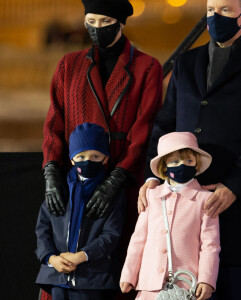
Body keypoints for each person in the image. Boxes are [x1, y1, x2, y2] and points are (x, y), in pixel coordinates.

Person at [138, 0, 241, 299]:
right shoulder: (186, 63)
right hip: (183, 214)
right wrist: (152, 175)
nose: (214, 17)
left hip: (238, 205)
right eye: (210, 10)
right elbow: (165, 124)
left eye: (224, 10)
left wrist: (233, 186)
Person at [42, 0, 162, 219]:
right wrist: (51, 171)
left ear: (121, 23)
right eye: (91, 21)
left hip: (124, 177)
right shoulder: (68, 65)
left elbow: (145, 129)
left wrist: (115, 180)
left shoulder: (147, 67)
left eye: (105, 21)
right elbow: (54, 123)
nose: (97, 28)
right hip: (77, 178)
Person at [120, 132, 220, 300]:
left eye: (188, 161)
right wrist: (129, 274)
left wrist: (207, 280)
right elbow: (138, 239)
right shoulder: (152, 195)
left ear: (197, 164)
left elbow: (210, 244)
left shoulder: (206, 198)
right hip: (150, 284)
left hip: (187, 285)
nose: (182, 165)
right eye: (175, 161)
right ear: (164, 166)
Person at [36, 123, 126, 299]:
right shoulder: (58, 188)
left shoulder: (113, 194)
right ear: (71, 159)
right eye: (81, 156)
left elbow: (111, 234)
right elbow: (42, 229)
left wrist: (83, 256)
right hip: (57, 276)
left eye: (95, 156)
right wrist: (50, 258)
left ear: (105, 158)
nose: (87, 161)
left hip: (92, 279)